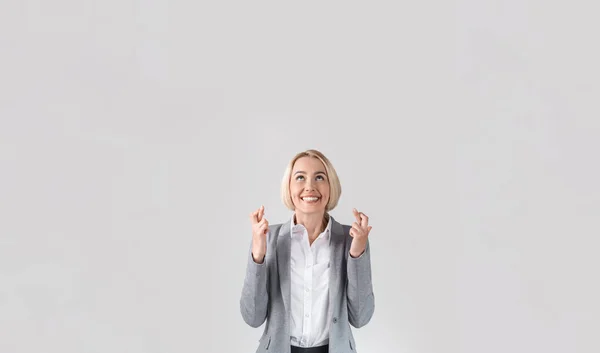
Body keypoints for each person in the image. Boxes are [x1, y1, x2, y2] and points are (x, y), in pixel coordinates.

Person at [240, 149, 375, 353]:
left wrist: (356, 254)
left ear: (331, 187)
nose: (310, 187)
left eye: (319, 177)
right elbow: (253, 317)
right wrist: (258, 255)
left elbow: (360, 317)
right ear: (289, 187)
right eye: (300, 177)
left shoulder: (352, 238)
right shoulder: (268, 237)